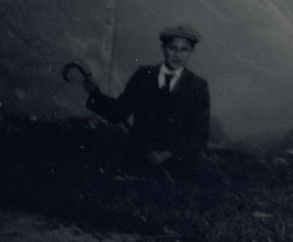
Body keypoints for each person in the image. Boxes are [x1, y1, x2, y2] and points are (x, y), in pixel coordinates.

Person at [81, 23, 212, 180]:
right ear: (163, 48)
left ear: (192, 52)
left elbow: (199, 134)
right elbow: (119, 112)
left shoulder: (198, 85)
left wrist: (167, 153)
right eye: (172, 48)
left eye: (184, 50)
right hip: (138, 161)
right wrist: (94, 93)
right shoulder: (144, 75)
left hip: (175, 168)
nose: (177, 55)